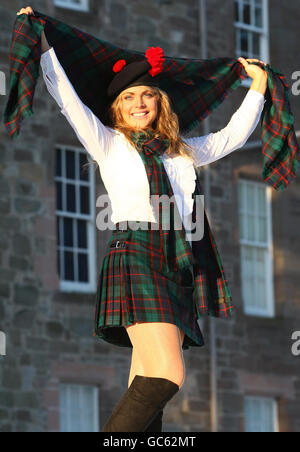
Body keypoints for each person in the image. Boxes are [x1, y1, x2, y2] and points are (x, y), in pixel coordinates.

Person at [17, 6, 268, 433]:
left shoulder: (181, 151)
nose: (138, 104)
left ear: (159, 101)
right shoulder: (109, 143)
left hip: (175, 260)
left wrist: (258, 86)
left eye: (146, 95)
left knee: (145, 377)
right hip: (135, 253)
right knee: (168, 375)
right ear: (117, 108)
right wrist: (41, 41)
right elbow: (67, 99)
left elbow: (231, 137)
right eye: (128, 98)